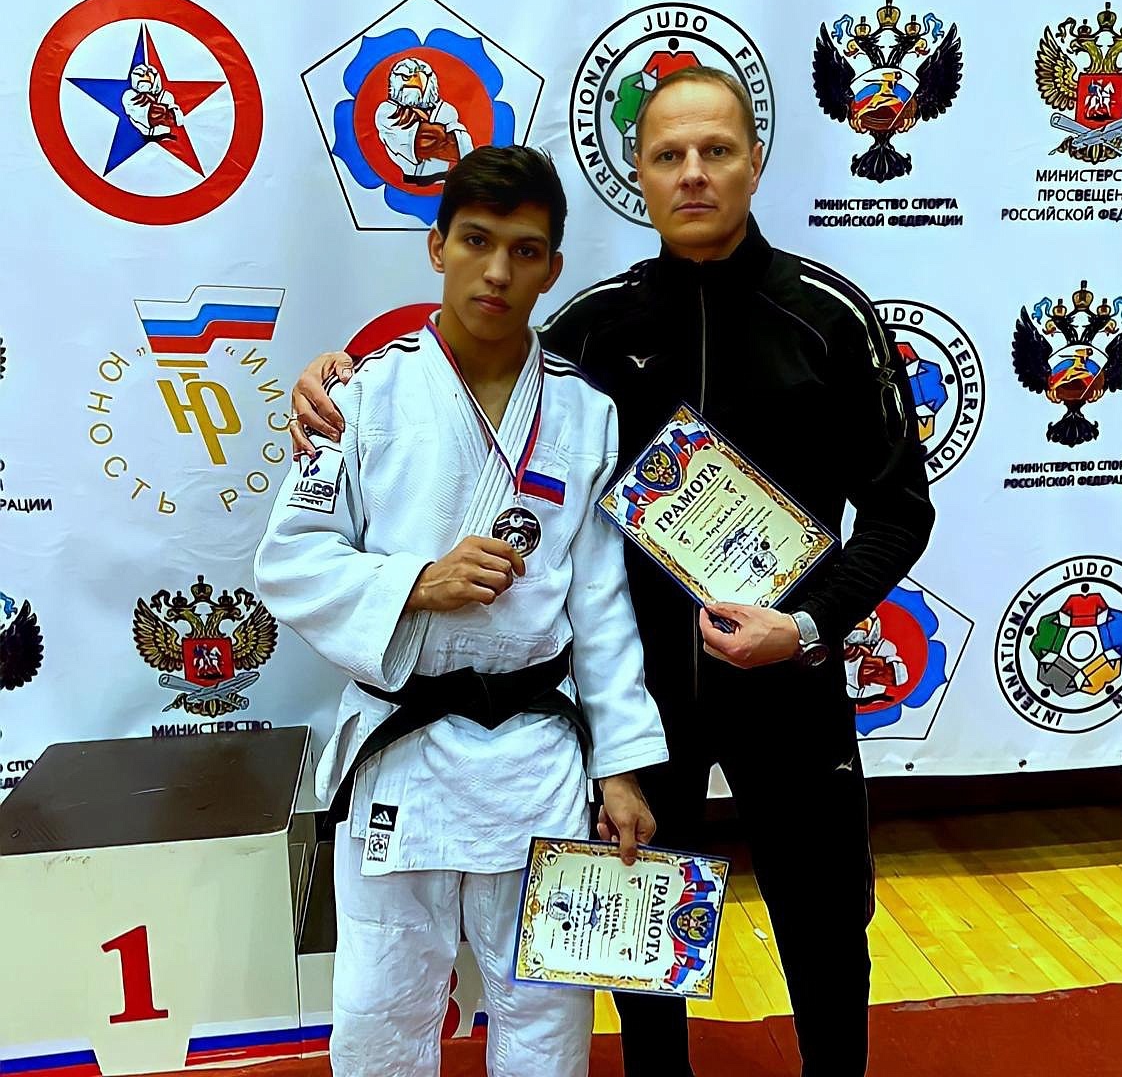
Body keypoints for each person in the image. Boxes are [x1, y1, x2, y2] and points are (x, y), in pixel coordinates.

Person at [288, 68, 937, 1077]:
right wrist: (338, 379)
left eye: (716, 150)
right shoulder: (593, 328)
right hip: (642, 695)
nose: (693, 173)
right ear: (636, 172)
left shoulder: (829, 317)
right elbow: (477, 375)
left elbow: (900, 513)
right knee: (632, 946)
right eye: (668, 154)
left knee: (822, 927)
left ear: (755, 161)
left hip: (788, 683)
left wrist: (807, 625)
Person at [256, 145, 668, 1077]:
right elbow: (289, 557)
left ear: (552, 268)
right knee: (382, 1001)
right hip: (403, 746)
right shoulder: (359, 396)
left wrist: (621, 767)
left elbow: (601, 608)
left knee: (546, 1004)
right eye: (476, 241)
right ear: (436, 246)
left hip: (536, 752)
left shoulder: (586, 413)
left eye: (524, 251)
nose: (497, 271)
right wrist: (414, 582)